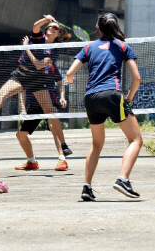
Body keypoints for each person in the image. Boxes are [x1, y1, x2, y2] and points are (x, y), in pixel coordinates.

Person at [65, 12, 142, 202]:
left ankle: (86, 187)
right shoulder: (123, 46)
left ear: (98, 28)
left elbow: (69, 73)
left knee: (97, 144)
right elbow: (137, 77)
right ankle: (123, 179)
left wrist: (71, 79)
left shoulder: (89, 46)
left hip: (91, 98)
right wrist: (129, 98)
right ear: (116, 27)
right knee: (136, 140)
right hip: (112, 95)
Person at [0, 15, 69, 124]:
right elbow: (36, 25)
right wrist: (46, 20)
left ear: (58, 34)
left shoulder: (54, 51)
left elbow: (38, 65)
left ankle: (60, 140)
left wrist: (27, 48)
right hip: (22, 74)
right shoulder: (39, 39)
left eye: (55, 28)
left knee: (49, 111)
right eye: (49, 27)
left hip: (38, 78)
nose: (51, 28)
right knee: (2, 94)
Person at [15, 37, 72, 171]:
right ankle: (31, 161)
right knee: (20, 134)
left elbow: (60, 83)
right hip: (34, 105)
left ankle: (62, 159)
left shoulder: (50, 66)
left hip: (49, 101)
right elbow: (21, 90)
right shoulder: (26, 69)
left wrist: (62, 96)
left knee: (53, 126)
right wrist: (22, 109)